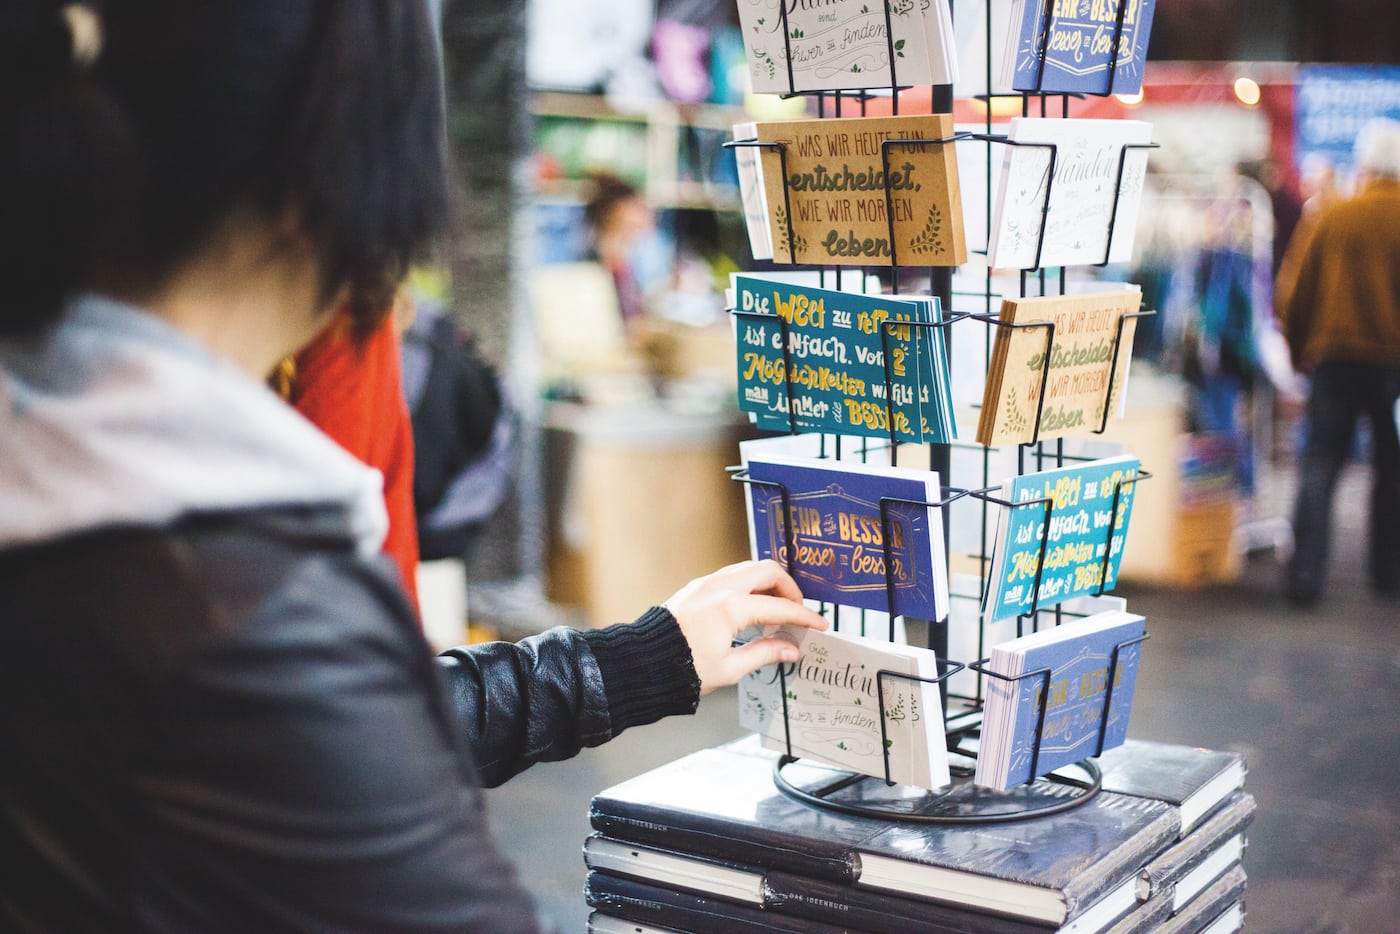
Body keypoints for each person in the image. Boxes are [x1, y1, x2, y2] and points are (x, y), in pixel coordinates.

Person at [0, 3, 826, 930]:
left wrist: (644, 658)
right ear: (341, 168)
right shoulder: (234, 598)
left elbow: (339, 740)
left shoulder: (80, 487)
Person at [1275, 118, 1400, 607]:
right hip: (1393, 366)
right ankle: (1388, 571)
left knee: (1320, 463)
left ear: (1364, 166)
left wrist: (1298, 352)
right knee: (1392, 469)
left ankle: (1306, 573)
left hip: (1333, 360)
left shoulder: (1332, 215)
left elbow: (1293, 293)